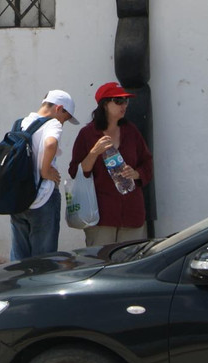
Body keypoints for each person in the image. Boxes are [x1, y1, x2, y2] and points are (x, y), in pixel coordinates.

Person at [67, 82, 154, 247]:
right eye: (118, 101)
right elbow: (75, 172)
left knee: (130, 266)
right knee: (101, 264)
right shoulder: (87, 134)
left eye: (126, 101)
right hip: (101, 216)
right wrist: (94, 152)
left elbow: (147, 163)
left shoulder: (131, 131)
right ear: (105, 104)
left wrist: (136, 174)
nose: (124, 105)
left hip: (132, 214)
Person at [9, 89, 80, 262]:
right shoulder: (53, 123)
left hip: (18, 199)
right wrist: (45, 170)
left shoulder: (20, 123)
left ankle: (17, 289)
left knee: (19, 261)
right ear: (59, 108)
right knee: (43, 262)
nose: (63, 122)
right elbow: (50, 144)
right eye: (66, 117)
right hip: (43, 198)